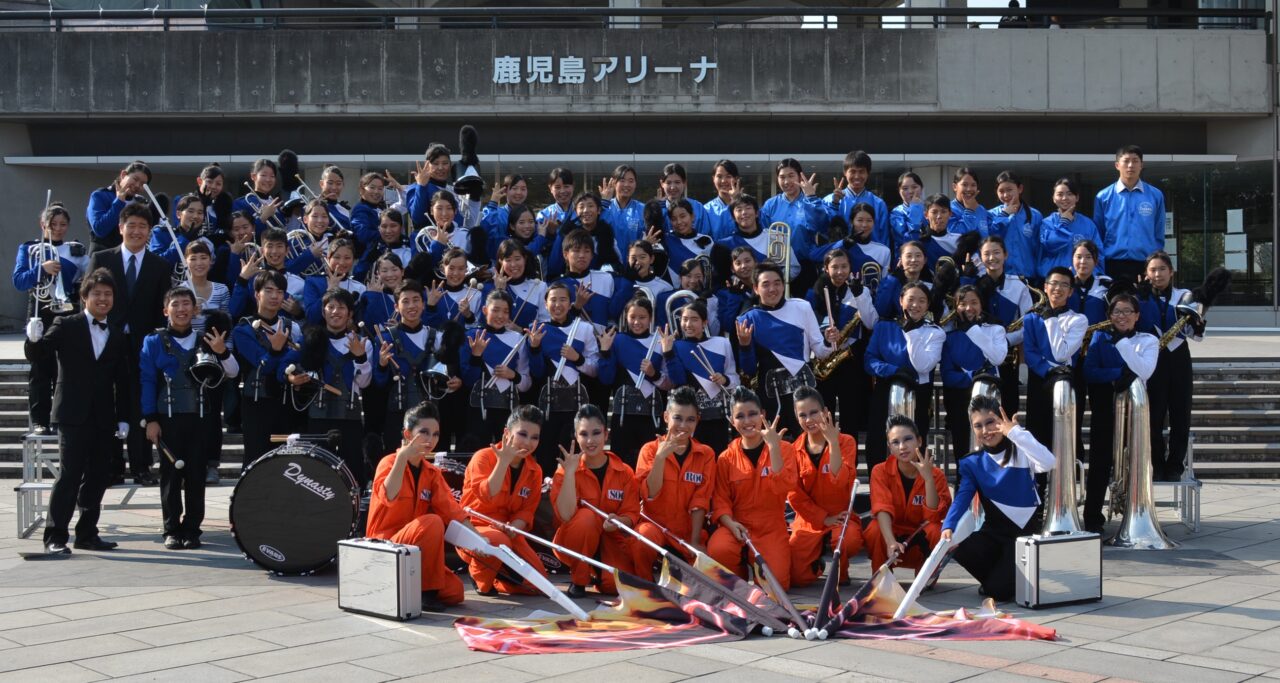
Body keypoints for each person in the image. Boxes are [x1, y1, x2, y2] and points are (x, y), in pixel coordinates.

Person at [23, 268, 131, 554]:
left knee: (98, 475)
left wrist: (124, 417)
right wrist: (32, 339)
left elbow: (123, 380)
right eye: (97, 294)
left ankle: (87, 533)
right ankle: (55, 535)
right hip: (71, 413)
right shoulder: (66, 324)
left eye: (108, 294)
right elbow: (39, 356)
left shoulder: (118, 334)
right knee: (69, 475)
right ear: (85, 297)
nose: (103, 299)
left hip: (103, 416)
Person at [140, 287, 239, 550]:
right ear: (166, 310)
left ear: (195, 309)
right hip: (168, 418)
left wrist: (222, 351)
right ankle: (171, 529)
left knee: (197, 474)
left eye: (187, 304)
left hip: (201, 417)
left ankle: (193, 529)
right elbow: (147, 380)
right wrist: (150, 418)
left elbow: (232, 372)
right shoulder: (153, 342)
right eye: (175, 304)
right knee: (170, 475)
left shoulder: (207, 339)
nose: (181, 309)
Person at [367, 401, 486, 610]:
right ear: (407, 433)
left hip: (412, 554)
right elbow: (388, 495)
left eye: (436, 434)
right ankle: (426, 594)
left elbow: (453, 510)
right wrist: (402, 458)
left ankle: (410, 587)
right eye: (424, 432)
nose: (431, 440)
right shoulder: (388, 462)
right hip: (386, 547)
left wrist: (479, 541)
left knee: (455, 592)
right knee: (432, 521)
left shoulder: (432, 473)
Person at [88, 201, 174, 486]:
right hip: (106, 341)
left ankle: (141, 465)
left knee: (141, 405)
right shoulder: (102, 258)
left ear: (150, 231)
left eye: (143, 226)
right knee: (108, 403)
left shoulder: (160, 265)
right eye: (132, 225)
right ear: (120, 227)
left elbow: (164, 307)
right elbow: (87, 298)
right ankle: (111, 466)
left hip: (143, 346)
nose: (137, 231)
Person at [943, 396, 1054, 602]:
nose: (985, 430)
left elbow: (1048, 462)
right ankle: (1005, 578)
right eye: (978, 426)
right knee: (958, 547)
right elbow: (962, 498)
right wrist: (948, 525)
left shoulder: (1022, 449)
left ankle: (1004, 580)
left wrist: (1015, 433)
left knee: (999, 592)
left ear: (1001, 422)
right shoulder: (972, 462)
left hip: (1021, 538)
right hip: (993, 533)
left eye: (990, 422)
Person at [1082, 293, 1159, 532]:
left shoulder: (1148, 340)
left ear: (1137, 316)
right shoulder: (1099, 337)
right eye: (1116, 312)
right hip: (1105, 409)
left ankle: (1136, 516)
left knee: (1136, 462)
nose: (1122, 316)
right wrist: (1118, 374)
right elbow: (1089, 371)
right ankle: (1093, 518)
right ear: (1109, 316)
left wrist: (1122, 344)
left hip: (1136, 413)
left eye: (1127, 311)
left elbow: (1145, 371)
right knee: (1099, 464)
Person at [708, 387, 799, 590]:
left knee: (777, 586)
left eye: (752, 414)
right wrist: (731, 525)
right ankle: (739, 573)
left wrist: (774, 448)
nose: (747, 421)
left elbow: (786, 486)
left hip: (771, 527)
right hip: (737, 526)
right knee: (719, 549)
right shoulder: (726, 458)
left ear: (763, 415)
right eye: (740, 416)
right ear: (732, 421)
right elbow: (720, 500)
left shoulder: (784, 448)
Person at [735, 262, 839, 438]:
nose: (772, 289)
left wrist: (829, 342)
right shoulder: (747, 319)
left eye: (777, 283)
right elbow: (749, 370)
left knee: (810, 442)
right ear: (755, 288)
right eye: (766, 284)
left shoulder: (802, 307)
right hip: (771, 395)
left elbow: (821, 351)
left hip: (804, 389)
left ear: (784, 285)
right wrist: (744, 345)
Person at [280, 288, 372, 486]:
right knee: (316, 473)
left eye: (341, 307)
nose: (335, 312)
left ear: (350, 313)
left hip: (350, 416)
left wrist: (360, 357)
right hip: (318, 416)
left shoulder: (363, 343)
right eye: (330, 307)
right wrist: (292, 379)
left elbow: (364, 382)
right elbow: (286, 367)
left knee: (353, 474)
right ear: (323, 312)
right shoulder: (310, 339)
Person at [551, 405, 641, 597]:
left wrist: (618, 521)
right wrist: (569, 475)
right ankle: (579, 580)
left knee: (614, 587)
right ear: (576, 436)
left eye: (596, 433)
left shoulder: (625, 472)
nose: (590, 441)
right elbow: (565, 515)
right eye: (583, 434)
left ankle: (598, 574)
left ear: (606, 434)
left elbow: (631, 513)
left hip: (611, 540)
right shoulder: (565, 471)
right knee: (587, 517)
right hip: (573, 542)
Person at [13, 202, 87, 434]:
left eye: (62, 224)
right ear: (42, 225)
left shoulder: (76, 250)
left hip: (67, 312)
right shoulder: (29, 249)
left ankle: (61, 418)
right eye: (52, 224)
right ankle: (40, 420)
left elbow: (85, 283)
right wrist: (42, 269)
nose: (57, 229)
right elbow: (19, 281)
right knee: (40, 368)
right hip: (39, 311)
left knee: (65, 368)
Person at [459, 405, 548, 596]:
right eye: (522, 434)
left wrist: (514, 526)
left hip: (509, 533)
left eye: (535, 437)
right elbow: (487, 495)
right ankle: (479, 576)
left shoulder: (535, 470)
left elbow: (527, 511)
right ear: (507, 433)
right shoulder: (483, 457)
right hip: (474, 529)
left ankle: (495, 575)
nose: (528, 442)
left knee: (539, 585)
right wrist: (503, 462)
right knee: (498, 541)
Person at [632, 387, 717, 580]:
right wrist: (660, 458)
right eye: (677, 418)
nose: (683, 426)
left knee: (707, 570)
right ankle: (646, 583)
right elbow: (649, 494)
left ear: (698, 420)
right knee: (642, 537)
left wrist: (694, 541)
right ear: (665, 417)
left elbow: (701, 499)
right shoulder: (649, 450)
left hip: (687, 533)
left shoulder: (706, 454)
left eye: (690, 420)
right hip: (655, 528)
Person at [864, 280, 945, 470]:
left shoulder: (934, 332)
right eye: (911, 299)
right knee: (877, 441)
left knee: (915, 443)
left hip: (918, 393)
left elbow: (924, 365)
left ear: (928, 305)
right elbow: (870, 360)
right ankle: (878, 488)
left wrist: (913, 332)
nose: (915, 305)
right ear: (901, 301)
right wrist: (893, 371)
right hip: (886, 389)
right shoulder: (884, 327)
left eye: (922, 301)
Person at [787, 387, 863, 586]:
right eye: (802, 415)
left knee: (849, 540)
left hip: (840, 515)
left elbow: (840, 480)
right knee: (796, 576)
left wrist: (833, 444)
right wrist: (823, 518)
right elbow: (794, 494)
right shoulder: (793, 450)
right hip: (809, 520)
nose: (809, 419)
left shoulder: (846, 442)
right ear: (796, 416)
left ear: (825, 412)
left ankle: (842, 571)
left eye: (814, 412)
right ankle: (816, 563)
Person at [1136, 251, 1199, 481]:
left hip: (1178, 359)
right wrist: (1137, 297)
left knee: (1180, 414)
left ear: (1171, 272)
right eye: (1152, 270)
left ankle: (1175, 465)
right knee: (1153, 415)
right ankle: (1155, 463)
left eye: (1162, 269)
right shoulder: (1139, 296)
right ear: (1146, 274)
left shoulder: (1184, 295)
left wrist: (1198, 323)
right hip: (1151, 360)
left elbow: (1195, 334)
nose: (1157, 274)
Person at [231, 271, 303, 467]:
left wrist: (285, 359)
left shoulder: (292, 327)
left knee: (286, 463)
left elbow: (298, 357)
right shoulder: (243, 329)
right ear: (257, 294)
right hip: (255, 401)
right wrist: (277, 349)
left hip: (286, 400)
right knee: (256, 462)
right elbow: (262, 365)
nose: (274, 296)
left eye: (280, 292)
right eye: (268, 290)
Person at [527, 282, 599, 473]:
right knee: (546, 458)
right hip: (548, 404)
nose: (558, 305)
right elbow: (536, 372)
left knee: (574, 457)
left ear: (570, 303)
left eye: (563, 300)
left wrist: (578, 358)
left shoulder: (584, 329)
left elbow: (594, 370)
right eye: (553, 300)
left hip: (576, 403)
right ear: (545, 303)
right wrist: (534, 348)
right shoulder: (537, 329)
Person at [864, 415, 950, 573]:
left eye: (908, 439)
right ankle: (881, 573)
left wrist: (928, 480)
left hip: (918, 538)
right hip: (892, 537)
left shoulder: (936, 475)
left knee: (936, 530)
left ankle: (927, 573)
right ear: (890, 447)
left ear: (919, 441)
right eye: (895, 442)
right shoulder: (880, 471)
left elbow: (933, 517)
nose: (902, 446)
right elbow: (881, 508)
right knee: (874, 528)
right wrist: (891, 543)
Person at [806, 248, 878, 436]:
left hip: (851, 360)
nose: (840, 271)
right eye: (835, 267)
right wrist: (825, 336)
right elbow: (809, 326)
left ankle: (850, 463)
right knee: (824, 416)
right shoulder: (813, 294)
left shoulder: (860, 291)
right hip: (824, 360)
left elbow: (871, 322)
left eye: (844, 266)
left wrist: (859, 295)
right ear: (825, 269)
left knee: (850, 419)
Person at [598, 296, 675, 465]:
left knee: (649, 463)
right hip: (623, 414)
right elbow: (606, 378)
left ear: (650, 318)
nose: (637, 322)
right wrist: (605, 351)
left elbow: (670, 383)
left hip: (651, 414)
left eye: (642, 317)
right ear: (626, 317)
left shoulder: (659, 342)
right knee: (620, 465)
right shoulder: (617, 340)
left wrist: (654, 374)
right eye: (632, 317)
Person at [940, 285, 1008, 470]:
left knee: (992, 452)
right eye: (963, 303)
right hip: (960, 400)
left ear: (981, 304)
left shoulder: (995, 329)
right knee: (964, 452)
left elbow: (997, 358)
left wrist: (973, 330)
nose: (969, 308)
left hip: (989, 399)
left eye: (974, 303)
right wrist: (972, 376)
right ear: (955, 307)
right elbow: (947, 376)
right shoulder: (950, 337)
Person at [1021, 267, 1088, 450]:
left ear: (1071, 291)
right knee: (1037, 433)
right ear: (1045, 286)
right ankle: (1039, 479)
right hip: (1039, 378)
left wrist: (1051, 319)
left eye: (1064, 285)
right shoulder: (1031, 318)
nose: (1058, 288)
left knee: (1066, 434)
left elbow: (1062, 353)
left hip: (1066, 378)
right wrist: (1048, 369)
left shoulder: (1079, 320)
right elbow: (1030, 352)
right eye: (1054, 283)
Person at [461, 291, 535, 449]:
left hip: (508, 409)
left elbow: (526, 383)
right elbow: (467, 381)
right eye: (495, 310)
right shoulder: (471, 336)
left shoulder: (518, 339)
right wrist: (476, 356)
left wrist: (512, 375)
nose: (500, 315)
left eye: (506, 311)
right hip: (478, 409)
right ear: (484, 310)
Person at [974, 235, 1034, 416]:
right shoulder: (973, 283)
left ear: (1006, 255)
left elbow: (1028, 324)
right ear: (980, 256)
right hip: (978, 356)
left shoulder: (1019, 285)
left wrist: (1006, 340)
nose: (992, 258)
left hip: (1008, 358)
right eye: (987, 254)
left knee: (1008, 410)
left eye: (996, 252)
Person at [667, 300, 737, 453]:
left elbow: (735, 378)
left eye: (694, 319)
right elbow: (677, 380)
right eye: (685, 319)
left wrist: (724, 379)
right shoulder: (676, 346)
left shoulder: (722, 343)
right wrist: (668, 353)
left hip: (717, 416)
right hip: (689, 417)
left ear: (705, 322)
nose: (688, 324)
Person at [1094, 145, 1166, 287]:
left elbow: (1158, 232)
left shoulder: (1155, 195)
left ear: (1142, 165)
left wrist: (1155, 262)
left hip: (1145, 264)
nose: (1130, 165)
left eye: (1135, 161)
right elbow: (1098, 233)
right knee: (1113, 306)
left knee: (1144, 306)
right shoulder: (1103, 197)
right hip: (1112, 263)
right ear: (1117, 165)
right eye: (1126, 161)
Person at [1040, 178, 1103, 281]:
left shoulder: (1088, 224)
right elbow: (1050, 246)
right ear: (1053, 198)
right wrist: (1063, 222)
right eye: (1060, 194)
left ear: (1077, 197)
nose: (1065, 198)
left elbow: (1098, 254)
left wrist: (1094, 277)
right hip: (1054, 280)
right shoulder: (1046, 223)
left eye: (1069, 194)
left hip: (1082, 280)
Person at [823, 151, 889, 247]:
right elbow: (823, 229)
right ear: (845, 173)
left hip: (871, 258)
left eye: (861, 171)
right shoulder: (829, 200)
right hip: (840, 257)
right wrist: (835, 204)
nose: (857, 176)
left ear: (868, 173)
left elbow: (884, 237)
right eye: (852, 171)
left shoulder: (879, 204)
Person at [987, 171, 1042, 282]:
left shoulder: (1034, 215)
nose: (1006, 195)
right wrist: (1004, 215)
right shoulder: (991, 215)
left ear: (1020, 189)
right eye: (1001, 191)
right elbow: (990, 237)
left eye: (1009, 190)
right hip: (1001, 276)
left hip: (1028, 276)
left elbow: (1039, 248)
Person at [86, 161, 151, 254]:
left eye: (142, 184)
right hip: (102, 256)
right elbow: (99, 229)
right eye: (135, 179)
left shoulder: (140, 202)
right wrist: (119, 202)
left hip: (130, 258)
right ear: (124, 174)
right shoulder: (100, 196)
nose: (137, 185)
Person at [232, 158, 284, 237]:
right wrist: (263, 217)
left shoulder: (276, 204)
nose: (268, 179)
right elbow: (240, 234)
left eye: (272, 176)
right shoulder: (240, 203)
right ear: (253, 176)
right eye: (263, 175)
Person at [887, 172, 926, 256]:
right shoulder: (896, 212)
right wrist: (915, 208)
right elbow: (908, 239)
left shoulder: (929, 210)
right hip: (905, 259)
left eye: (914, 187)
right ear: (899, 191)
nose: (910, 191)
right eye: (905, 188)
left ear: (921, 188)